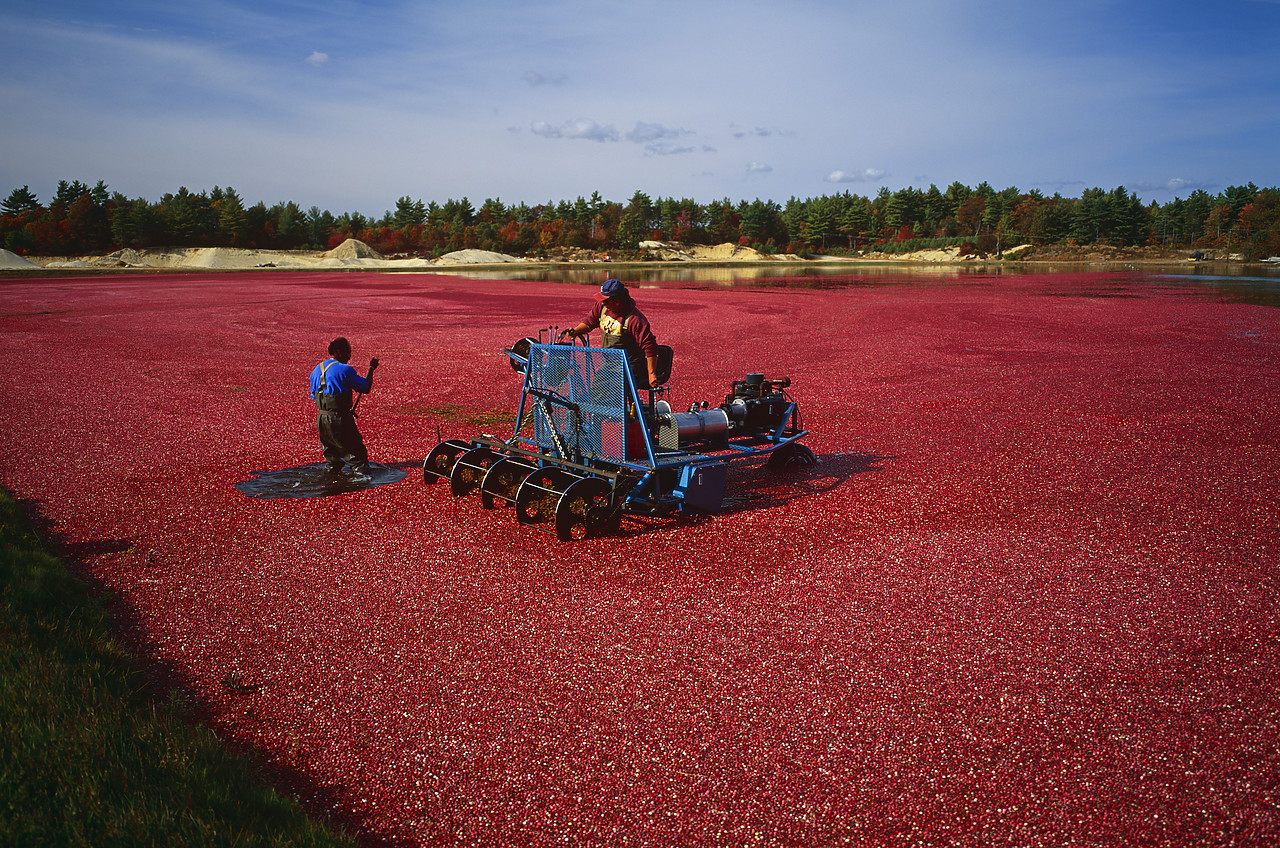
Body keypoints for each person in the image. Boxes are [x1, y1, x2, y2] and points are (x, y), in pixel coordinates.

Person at [562, 279, 663, 388]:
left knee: (612, 393)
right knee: (596, 391)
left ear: (617, 301)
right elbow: (590, 322)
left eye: (605, 300)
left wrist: (651, 375)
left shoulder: (635, 319)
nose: (602, 303)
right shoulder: (602, 307)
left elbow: (650, 346)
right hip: (609, 363)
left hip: (629, 366)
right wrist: (576, 331)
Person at [309, 337, 379, 476]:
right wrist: (371, 369)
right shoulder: (345, 370)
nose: (350, 356)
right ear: (339, 352)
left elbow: (314, 395)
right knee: (356, 455)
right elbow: (365, 387)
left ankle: (330, 481)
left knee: (332, 457)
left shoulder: (316, 370)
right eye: (348, 352)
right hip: (340, 419)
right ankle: (361, 482)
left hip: (322, 419)